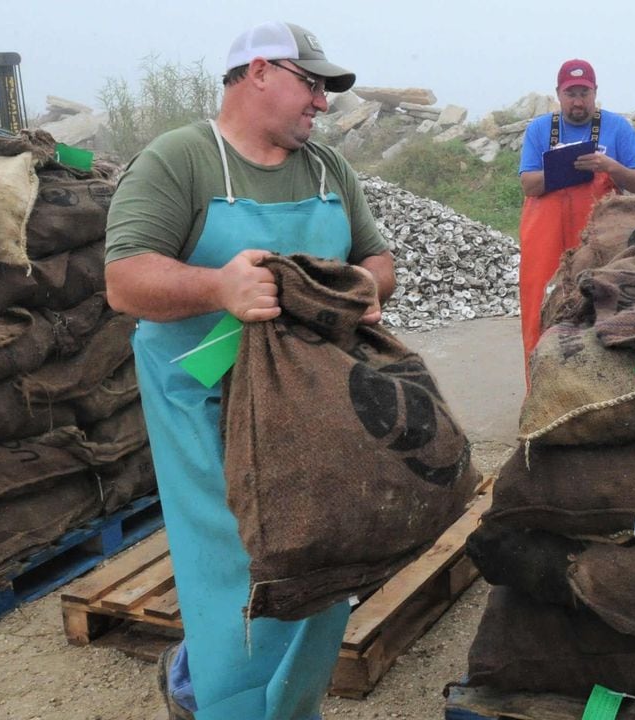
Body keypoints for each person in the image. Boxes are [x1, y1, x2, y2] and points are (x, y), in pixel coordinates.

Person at [104, 21, 395, 720]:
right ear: (259, 73)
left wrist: (358, 290)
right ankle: (216, 697)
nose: (322, 102)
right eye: (312, 83)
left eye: (326, 89)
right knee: (243, 566)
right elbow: (124, 279)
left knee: (327, 552)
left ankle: (286, 706)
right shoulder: (181, 160)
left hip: (316, 399)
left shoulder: (328, 169)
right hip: (208, 403)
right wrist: (217, 289)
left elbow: (378, 259)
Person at [517, 58, 635, 365]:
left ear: (595, 92)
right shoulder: (539, 130)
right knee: (541, 309)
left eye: (584, 93)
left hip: (599, 240)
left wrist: (609, 166)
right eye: (571, 93)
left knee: (599, 307)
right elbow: (528, 184)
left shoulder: (617, 128)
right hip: (545, 244)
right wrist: (564, 168)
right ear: (558, 94)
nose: (578, 101)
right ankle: (539, 389)